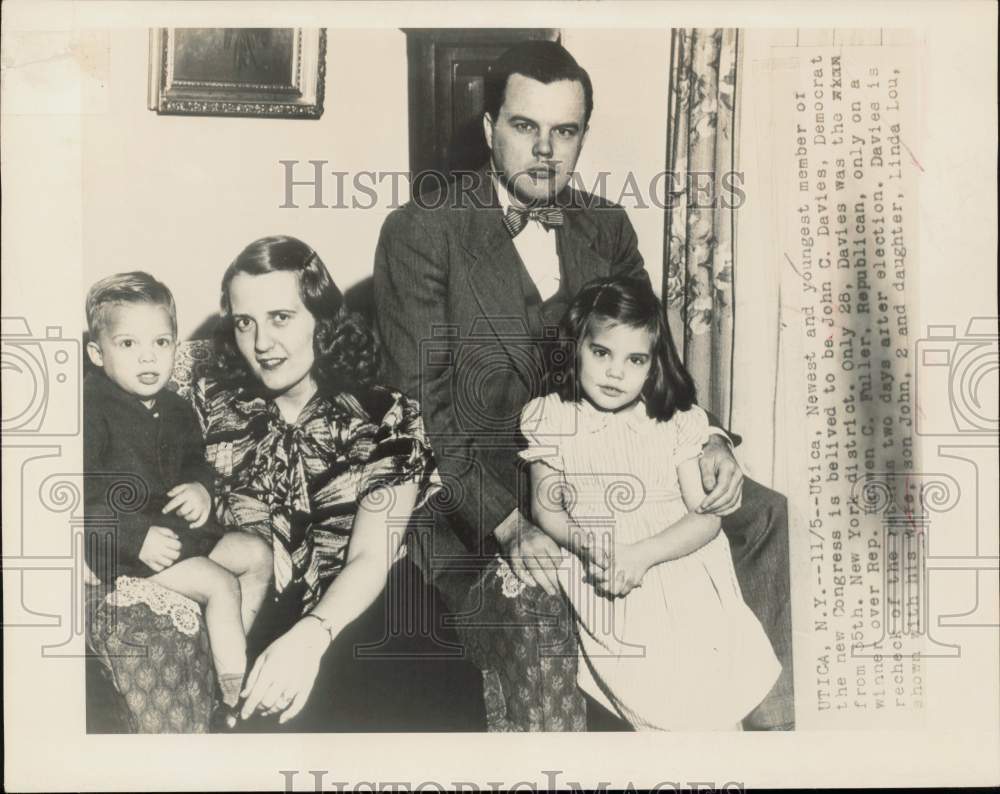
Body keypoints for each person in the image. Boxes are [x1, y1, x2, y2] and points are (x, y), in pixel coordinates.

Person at [374, 40, 793, 730]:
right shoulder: (422, 231)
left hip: (620, 454)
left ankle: (770, 738)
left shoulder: (605, 223)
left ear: (582, 136)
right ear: (488, 129)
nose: (545, 151)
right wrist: (511, 526)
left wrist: (711, 439)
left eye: (564, 131)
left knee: (762, 512)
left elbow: (654, 359)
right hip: (488, 486)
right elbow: (426, 416)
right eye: (524, 126)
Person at [194, 235, 485, 731]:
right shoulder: (209, 407)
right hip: (259, 615)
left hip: (375, 610)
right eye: (246, 322)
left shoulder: (387, 416)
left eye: (281, 317)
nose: (262, 343)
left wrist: (312, 636)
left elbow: (371, 556)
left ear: (321, 318)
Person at [520, 275, 781, 730]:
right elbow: (546, 508)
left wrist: (642, 555)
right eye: (601, 353)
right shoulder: (552, 417)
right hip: (607, 575)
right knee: (662, 718)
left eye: (635, 359)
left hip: (680, 569)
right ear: (576, 348)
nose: (616, 372)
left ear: (652, 364)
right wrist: (590, 546)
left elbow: (707, 520)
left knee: (715, 705)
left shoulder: (673, 421)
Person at [83, 272, 274, 727]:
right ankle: (233, 698)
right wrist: (133, 538)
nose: (148, 356)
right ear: (97, 353)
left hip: (182, 536)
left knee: (256, 555)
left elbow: (194, 463)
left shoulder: (177, 408)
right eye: (128, 344)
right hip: (129, 553)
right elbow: (75, 495)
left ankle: (221, 656)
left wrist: (201, 490)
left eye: (162, 342)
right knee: (221, 586)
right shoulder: (89, 409)